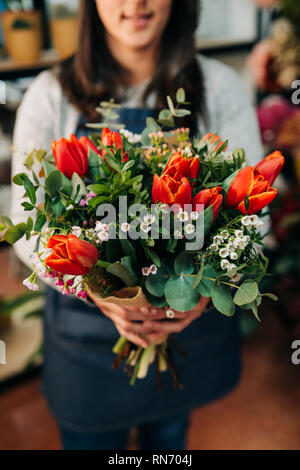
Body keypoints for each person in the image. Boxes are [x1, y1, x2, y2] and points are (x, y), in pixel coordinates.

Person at [11, 0, 263, 450]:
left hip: (191, 329)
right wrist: (93, 285)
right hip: (85, 347)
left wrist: (199, 292)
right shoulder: (49, 94)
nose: (135, 4)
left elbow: (253, 219)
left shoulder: (220, 87)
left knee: (168, 436)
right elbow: (25, 226)